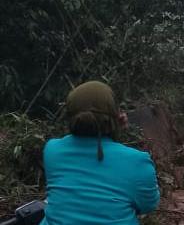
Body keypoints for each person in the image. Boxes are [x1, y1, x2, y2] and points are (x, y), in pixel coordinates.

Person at [41, 81, 160, 225]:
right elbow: (148, 205)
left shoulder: (52, 151)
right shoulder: (138, 162)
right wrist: (116, 129)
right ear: (116, 116)